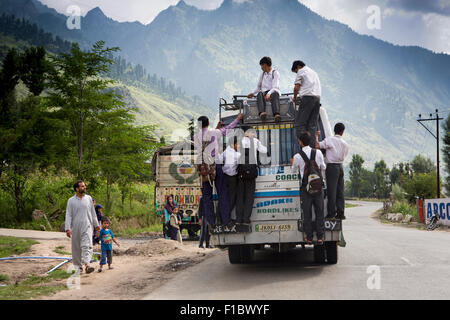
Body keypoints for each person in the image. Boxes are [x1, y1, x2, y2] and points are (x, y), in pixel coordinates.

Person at [194, 113, 243, 228]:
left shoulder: (195, 137)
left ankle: (211, 222)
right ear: (208, 123)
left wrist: (216, 128)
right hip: (215, 165)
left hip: (203, 168)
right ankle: (226, 220)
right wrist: (237, 119)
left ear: (199, 125)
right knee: (222, 193)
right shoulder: (214, 133)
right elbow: (228, 128)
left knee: (207, 196)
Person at [291, 133, 326, 244]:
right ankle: (320, 237)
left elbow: (293, 171)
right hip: (318, 187)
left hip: (306, 188)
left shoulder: (297, 156)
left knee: (307, 213)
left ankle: (309, 237)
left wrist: (293, 163)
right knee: (319, 212)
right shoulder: (318, 152)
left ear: (300, 142)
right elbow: (323, 167)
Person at [65, 180, 100, 274]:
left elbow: (93, 213)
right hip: (75, 227)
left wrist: (96, 226)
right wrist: (68, 228)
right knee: (76, 248)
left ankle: (87, 264)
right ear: (77, 189)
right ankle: (79, 268)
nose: (84, 188)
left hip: (87, 225)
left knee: (87, 245)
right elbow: (68, 215)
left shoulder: (88, 198)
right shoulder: (71, 201)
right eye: (82, 186)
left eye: (84, 186)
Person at [315, 123, 349, 220]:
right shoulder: (345, 144)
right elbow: (345, 154)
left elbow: (317, 146)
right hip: (340, 166)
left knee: (332, 191)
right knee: (340, 191)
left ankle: (331, 213)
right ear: (342, 132)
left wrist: (317, 136)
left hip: (332, 167)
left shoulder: (330, 140)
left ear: (334, 130)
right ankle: (341, 213)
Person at [236, 126, 267, 224]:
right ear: (247, 133)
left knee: (240, 196)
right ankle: (246, 218)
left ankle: (238, 219)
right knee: (249, 197)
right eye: (252, 132)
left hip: (240, 173)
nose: (253, 134)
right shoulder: (255, 141)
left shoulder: (238, 141)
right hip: (251, 173)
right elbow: (264, 151)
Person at [291, 60, 322, 146]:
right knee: (312, 125)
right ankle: (311, 148)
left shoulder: (301, 71)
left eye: (295, 71)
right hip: (317, 99)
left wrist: (294, 97)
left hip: (307, 98)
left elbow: (296, 88)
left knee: (300, 124)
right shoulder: (313, 72)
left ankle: (304, 147)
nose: (296, 72)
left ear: (298, 67)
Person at [247, 56, 281, 122]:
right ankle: (262, 113)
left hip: (273, 92)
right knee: (259, 94)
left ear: (265, 65)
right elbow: (258, 87)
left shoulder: (275, 73)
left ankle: (276, 114)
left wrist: (269, 93)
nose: (261, 68)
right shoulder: (262, 74)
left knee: (275, 94)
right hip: (265, 93)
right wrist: (252, 93)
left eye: (262, 66)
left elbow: (275, 87)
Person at [218, 136, 241, 224]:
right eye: (237, 144)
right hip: (232, 178)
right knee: (232, 198)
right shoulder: (237, 155)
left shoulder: (225, 152)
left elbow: (219, 160)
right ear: (233, 144)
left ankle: (222, 216)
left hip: (224, 177)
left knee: (224, 197)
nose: (238, 146)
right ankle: (227, 218)